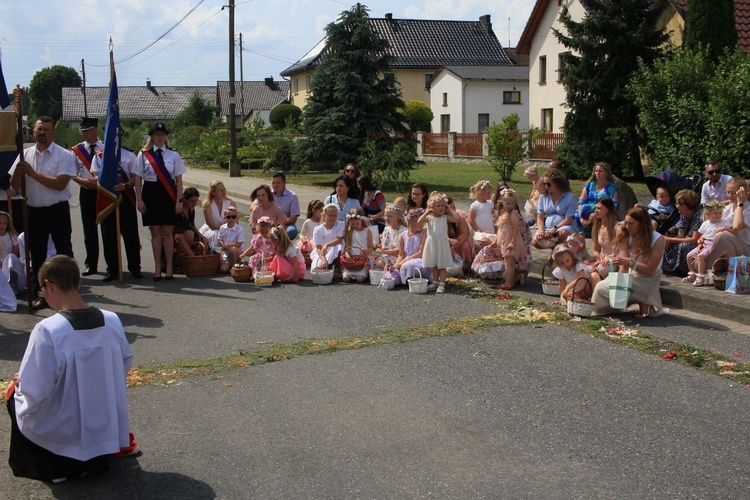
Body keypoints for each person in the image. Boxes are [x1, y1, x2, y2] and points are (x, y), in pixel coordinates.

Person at [6, 255, 133, 482]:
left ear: (50, 285)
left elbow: (36, 389)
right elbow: (122, 365)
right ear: (78, 283)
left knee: (13, 395)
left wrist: (21, 381)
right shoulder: (112, 320)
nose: (42, 294)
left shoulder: (48, 329)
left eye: (41, 288)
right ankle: (94, 457)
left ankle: (56, 465)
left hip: (64, 427)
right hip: (103, 418)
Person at [10, 116, 76, 311]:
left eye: (47, 130)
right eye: (39, 129)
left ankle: (70, 294)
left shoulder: (63, 155)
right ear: (33, 132)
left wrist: (32, 173)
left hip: (56, 210)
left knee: (63, 253)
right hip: (34, 211)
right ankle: (43, 294)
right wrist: (18, 173)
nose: (43, 133)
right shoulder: (25, 155)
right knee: (37, 256)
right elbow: (14, 188)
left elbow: (60, 184)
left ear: (53, 133)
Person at [591, 207, 668, 319]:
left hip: (648, 277)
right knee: (601, 287)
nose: (627, 226)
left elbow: (650, 270)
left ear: (642, 224)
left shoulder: (658, 240)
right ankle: (621, 305)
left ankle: (644, 302)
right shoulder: (624, 232)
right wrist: (621, 284)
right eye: (626, 222)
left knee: (630, 293)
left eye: (631, 224)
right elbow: (624, 261)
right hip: (630, 272)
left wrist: (630, 263)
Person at [133, 122, 186, 281]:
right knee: (155, 232)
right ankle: (157, 266)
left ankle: (169, 266)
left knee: (168, 232)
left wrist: (179, 200)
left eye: (163, 134)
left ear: (166, 136)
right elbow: (137, 179)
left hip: (168, 194)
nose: (160, 137)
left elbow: (179, 180)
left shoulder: (173, 154)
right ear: (152, 136)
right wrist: (139, 200)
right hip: (150, 193)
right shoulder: (143, 155)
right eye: (157, 134)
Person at [91, 146, 142, 282]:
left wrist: (125, 185)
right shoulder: (99, 156)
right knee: (109, 235)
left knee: (130, 234)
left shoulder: (130, 155)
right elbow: (95, 174)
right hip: (107, 198)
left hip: (126, 197)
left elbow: (135, 176)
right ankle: (112, 269)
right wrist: (104, 183)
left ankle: (135, 268)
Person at [471, 188, 532, 289]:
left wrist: (512, 243)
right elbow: (500, 229)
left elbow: (516, 229)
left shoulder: (513, 213)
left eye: (512, 203)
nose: (510, 206)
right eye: (507, 203)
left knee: (509, 261)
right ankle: (513, 277)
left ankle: (508, 283)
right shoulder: (502, 212)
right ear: (502, 202)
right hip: (503, 239)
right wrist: (495, 241)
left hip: (510, 240)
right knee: (506, 261)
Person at [70, 117, 102, 276]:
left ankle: (113, 264)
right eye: (82, 131)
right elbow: (72, 172)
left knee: (108, 229)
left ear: (96, 129)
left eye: (87, 130)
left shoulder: (106, 147)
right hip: (86, 191)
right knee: (89, 230)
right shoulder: (77, 150)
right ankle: (91, 264)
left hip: (104, 192)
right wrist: (82, 180)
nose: (84, 133)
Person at [703, 177, 750, 271]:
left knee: (723, 235)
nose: (730, 196)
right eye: (728, 192)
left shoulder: (748, 208)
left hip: (746, 249)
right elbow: (714, 226)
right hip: (730, 248)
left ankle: (706, 266)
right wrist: (703, 238)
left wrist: (740, 204)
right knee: (722, 239)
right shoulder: (727, 209)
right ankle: (731, 272)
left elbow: (737, 226)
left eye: (734, 193)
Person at [684, 202, 732, 286]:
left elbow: (733, 231)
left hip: (713, 244)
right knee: (689, 255)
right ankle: (692, 274)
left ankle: (701, 277)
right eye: (715, 213)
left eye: (720, 213)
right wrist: (700, 240)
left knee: (700, 256)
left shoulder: (724, 222)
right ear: (708, 214)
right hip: (705, 243)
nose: (718, 215)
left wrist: (725, 229)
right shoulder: (705, 223)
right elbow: (703, 235)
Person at [418, 192, 458, 294]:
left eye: (442, 206)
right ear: (432, 207)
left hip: (442, 243)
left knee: (442, 265)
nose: (441, 208)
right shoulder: (429, 218)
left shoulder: (445, 218)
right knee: (434, 264)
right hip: (432, 243)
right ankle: (435, 281)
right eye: (438, 206)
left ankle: (442, 284)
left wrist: (448, 208)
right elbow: (419, 221)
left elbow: (456, 218)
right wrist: (427, 212)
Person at [662, 189, 703, 276]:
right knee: (668, 244)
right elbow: (680, 235)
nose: (676, 206)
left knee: (684, 246)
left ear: (684, 206)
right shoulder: (683, 214)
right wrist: (669, 240)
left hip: (700, 243)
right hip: (688, 239)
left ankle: (683, 270)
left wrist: (669, 239)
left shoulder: (699, 215)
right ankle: (668, 268)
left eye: (677, 204)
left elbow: (695, 239)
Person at [533, 169, 577, 249]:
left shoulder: (569, 196)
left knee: (562, 234)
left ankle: (557, 251)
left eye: (549, 184)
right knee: (535, 242)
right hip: (547, 229)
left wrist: (554, 229)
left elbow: (569, 218)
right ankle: (556, 250)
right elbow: (540, 217)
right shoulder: (543, 197)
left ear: (557, 183)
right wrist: (541, 231)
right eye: (544, 184)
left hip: (565, 227)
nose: (546, 186)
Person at [394, 208, 431, 286]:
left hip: (420, 260)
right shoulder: (402, 235)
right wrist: (396, 266)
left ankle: (412, 279)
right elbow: (401, 255)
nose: (422, 224)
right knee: (392, 274)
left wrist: (404, 261)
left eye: (423, 222)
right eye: (419, 221)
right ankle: (408, 280)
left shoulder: (424, 232)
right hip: (406, 260)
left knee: (410, 265)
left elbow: (420, 253)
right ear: (410, 221)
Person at [577, 162, 619, 230]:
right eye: (596, 171)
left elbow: (615, 206)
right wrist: (581, 218)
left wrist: (596, 214)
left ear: (606, 173)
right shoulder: (589, 185)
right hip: (584, 216)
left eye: (600, 171)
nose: (597, 173)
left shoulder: (611, 188)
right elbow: (581, 202)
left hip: (603, 215)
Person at [590, 198, 621, 286]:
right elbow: (596, 249)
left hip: (614, 259)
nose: (596, 211)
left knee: (601, 269)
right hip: (601, 259)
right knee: (586, 268)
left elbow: (621, 250)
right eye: (595, 208)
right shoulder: (597, 227)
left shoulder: (617, 227)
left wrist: (609, 258)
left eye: (599, 208)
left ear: (608, 210)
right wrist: (598, 260)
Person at [199, 180, 236, 248]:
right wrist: (225, 230)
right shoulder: (207, 205)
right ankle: (215, 254)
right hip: (211, 230)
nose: (224, 192)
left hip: (227, 230)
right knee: (216, 234)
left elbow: (235, 222)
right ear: (213, 192)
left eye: (224, 189)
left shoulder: (230, 203)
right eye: (221, 190)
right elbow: (212, 225)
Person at [175, 187, 210, 257]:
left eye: (196, 201)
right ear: (184, 199)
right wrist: (192, 255)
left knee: (202, 244)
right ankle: (179, 259)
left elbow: (192, 225)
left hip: (188, 238)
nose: (194, 204)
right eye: (192, 201)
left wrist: (201, 235)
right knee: (189, 234)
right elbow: (178, 236)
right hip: (178, 237)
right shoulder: (179, 211)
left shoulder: (191, 210)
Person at [340, 208, 373, 283]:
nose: (355, 226)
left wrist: (366, 251)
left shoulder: (367, 231)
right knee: (345, 278)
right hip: (351, 260)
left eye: (357, 224)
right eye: (352, 224)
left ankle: (363, 273)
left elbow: (371, 248)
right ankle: (345, 272)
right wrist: (348, 255)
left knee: (360, 279)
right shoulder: (349, 231)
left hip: (362, 260)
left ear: (361, 220)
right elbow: (347, 248)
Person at [310, 204, 345, 271]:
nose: (332, 218)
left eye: (335, 215)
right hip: (322, 251)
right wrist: (323, 259)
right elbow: (319, 247)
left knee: (339, 247)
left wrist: (326, 245)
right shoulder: (318, 229)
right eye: (330, 215)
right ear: (324, 215)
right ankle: (327, 267)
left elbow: (338, 239)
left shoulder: (340, 224)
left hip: (334, 248)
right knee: (317, 268)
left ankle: (336, 268)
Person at [373, 204, 406, 270]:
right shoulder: (387, 229)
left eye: (389, 216)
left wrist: (383, 251)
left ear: (398, 217)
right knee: (373, 259)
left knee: (380, 262)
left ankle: (392, 271)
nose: (386, 218)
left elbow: (399, 251)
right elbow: (384, 246)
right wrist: (378, 247)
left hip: (398, 257)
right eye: (385, 216)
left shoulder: (403, 231)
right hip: (387, 256)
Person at [269, 172, 300, 240]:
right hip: (269, 222)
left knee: (291, 231)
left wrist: (280, 223)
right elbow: (254, 205)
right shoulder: (267, 194)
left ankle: (285, 248)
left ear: (284, 183)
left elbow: (294, 218)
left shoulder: (292, 196)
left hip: (286, 222)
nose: (275, 185)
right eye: (273, 183)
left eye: (278, 183)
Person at [446, 197, 473, 275]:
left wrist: (454, 246)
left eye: (454, 207)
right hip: (444, 241)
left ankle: (462, 265)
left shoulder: (459, 217)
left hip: (457, 243)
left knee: (464, 243)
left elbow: (465, 233)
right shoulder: (439, 218)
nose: (453, 210)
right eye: (450, 208)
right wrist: (448, 241)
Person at [0, 210, 23, 294]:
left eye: (4, 223)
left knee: (10, 257)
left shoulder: (11, 236)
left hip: (10, 265)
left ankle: (10, 284)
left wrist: (5, 263)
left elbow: (14, 256)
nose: (2, 226)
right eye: (0, 223)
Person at [468, 180, 496, 249]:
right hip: (480, 229)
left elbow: (493, 214)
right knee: (479, 245)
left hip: (489, 227)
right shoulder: (475, 205)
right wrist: (477, 229)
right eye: (488, 193)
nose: (490, 195)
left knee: (490, 244)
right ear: (481, 193)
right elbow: (471, 219)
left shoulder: (490, 203)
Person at [218, 206, 245, 272]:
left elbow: (239, 244)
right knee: (223, 269)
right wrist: (223, 245)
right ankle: (229, 264)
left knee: (233, 249)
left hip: (237, 251)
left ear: (236, 218)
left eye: (233, 217)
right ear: (225, 218)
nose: (231, 219)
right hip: (226, 252)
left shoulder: (239, 229)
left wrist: (229, 245)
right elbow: (220, 239)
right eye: (228, 217)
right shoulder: (222, 227)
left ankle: (234, 265)